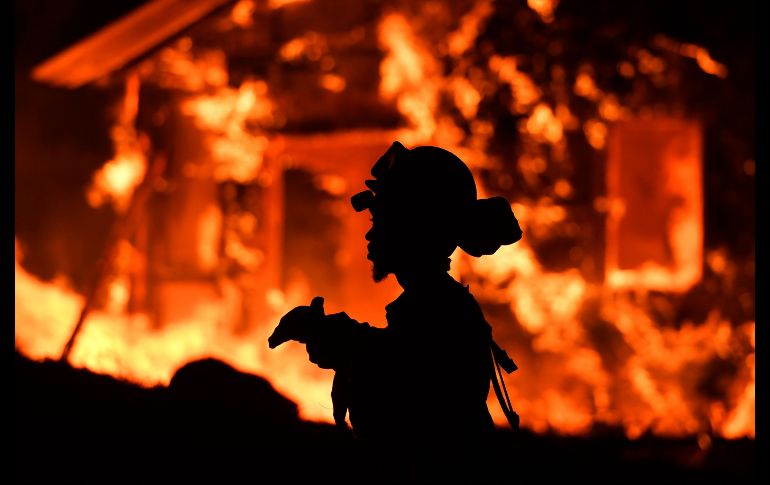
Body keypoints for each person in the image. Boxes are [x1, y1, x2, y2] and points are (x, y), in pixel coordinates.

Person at [269, 141, 522, 473]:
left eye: (383, 220)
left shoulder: (440, 312)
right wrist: (331, 335)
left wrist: (335, 337)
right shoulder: (437, 305)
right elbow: (394, 355)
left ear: (416, 227)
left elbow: (405, 382)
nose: (370, 235)